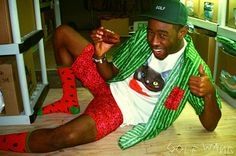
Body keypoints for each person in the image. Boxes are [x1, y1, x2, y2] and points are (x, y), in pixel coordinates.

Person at [0, 0, 221, 153]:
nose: (154, 41)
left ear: (182, 33)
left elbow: (210, 125)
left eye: (163, 35)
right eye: (151, 32)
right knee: (62, 33)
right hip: (110, 85)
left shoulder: (194, 68)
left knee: (62, 138)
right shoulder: (141, 41)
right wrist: (100, 57)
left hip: (119, 110)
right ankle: (69, 100)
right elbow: (111, 75)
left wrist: (209, 94)